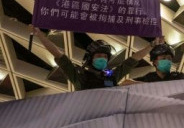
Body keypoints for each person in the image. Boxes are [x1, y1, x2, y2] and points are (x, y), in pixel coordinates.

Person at [29, 24, 162, 90]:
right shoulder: (79, 76)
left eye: (105, 56)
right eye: (99, 55)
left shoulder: (112, 76)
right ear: (90, 58)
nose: (102, 58)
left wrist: (151, 45)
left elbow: (132, 60)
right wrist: (40, 35)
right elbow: (59, 55)